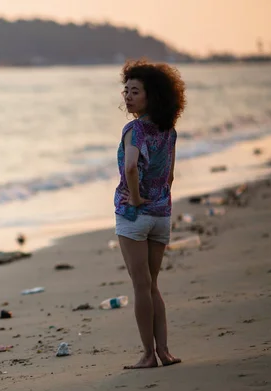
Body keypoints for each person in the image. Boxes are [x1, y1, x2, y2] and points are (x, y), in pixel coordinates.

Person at [114, 59, 186, 369]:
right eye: (126, 91)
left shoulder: (135, 129)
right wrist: (156, 197)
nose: (128, 97)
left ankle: (148, 356)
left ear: (151, 95)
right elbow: (169, 176)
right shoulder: (168, 129)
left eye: (135, 92)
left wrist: (136, 197)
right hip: (161, 214)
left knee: (140, 286)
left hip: (134, 215)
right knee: (153, 285)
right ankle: (165, 351)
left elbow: (131, 166)